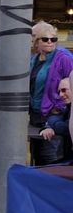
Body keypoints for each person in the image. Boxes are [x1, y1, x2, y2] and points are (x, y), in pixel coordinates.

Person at [30, 22, 73, 165]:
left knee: (50, 157)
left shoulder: (64, 58)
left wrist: (60, 107)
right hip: (36, 115)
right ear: (36, 41)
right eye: (45, 39)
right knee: (37, 155)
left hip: (55, 114)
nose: (50, 42)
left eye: (53, 39)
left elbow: (70, 85)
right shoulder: (34, 59)